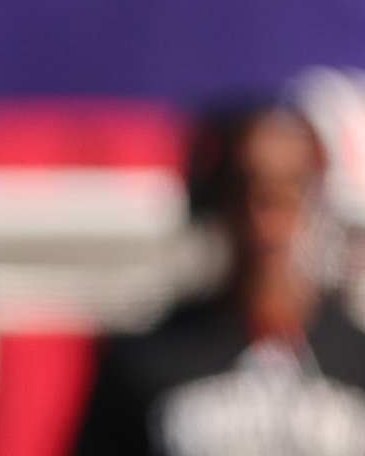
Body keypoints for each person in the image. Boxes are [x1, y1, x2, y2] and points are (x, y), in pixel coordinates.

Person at [73, 104, 365, 455]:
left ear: (317, 196)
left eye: (290, 188)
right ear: (215, 199)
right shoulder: (147, 360)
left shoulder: (355, 359)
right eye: (246, 187)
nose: (266, 215)